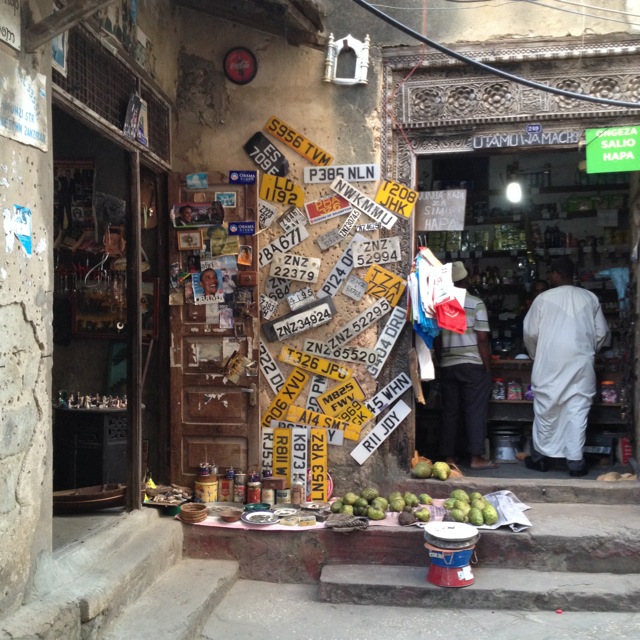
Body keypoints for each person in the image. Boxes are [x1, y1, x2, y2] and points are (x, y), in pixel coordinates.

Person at [523, 256, 609, 477]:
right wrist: (588, 351)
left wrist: (536, 353)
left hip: (549, 364)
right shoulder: (589, 298)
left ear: (556, 274)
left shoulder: (543, 299)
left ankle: (541, 458)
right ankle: (575, 462)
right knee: (577, 411)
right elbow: (602, 333)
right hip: (581, 365)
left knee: (546, 409)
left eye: (551, 272)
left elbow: (530, 333)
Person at [435, 261, 497, 470]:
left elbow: (436, 338)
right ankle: (475, 458)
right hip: (472, 365)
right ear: (465, 280)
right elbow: (482, 339)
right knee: (475, 411)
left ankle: (449, 458)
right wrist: (487, 369)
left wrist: (439, 361)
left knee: (450, 412)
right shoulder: (475, 303)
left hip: (448, 364)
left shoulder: (441, 304)